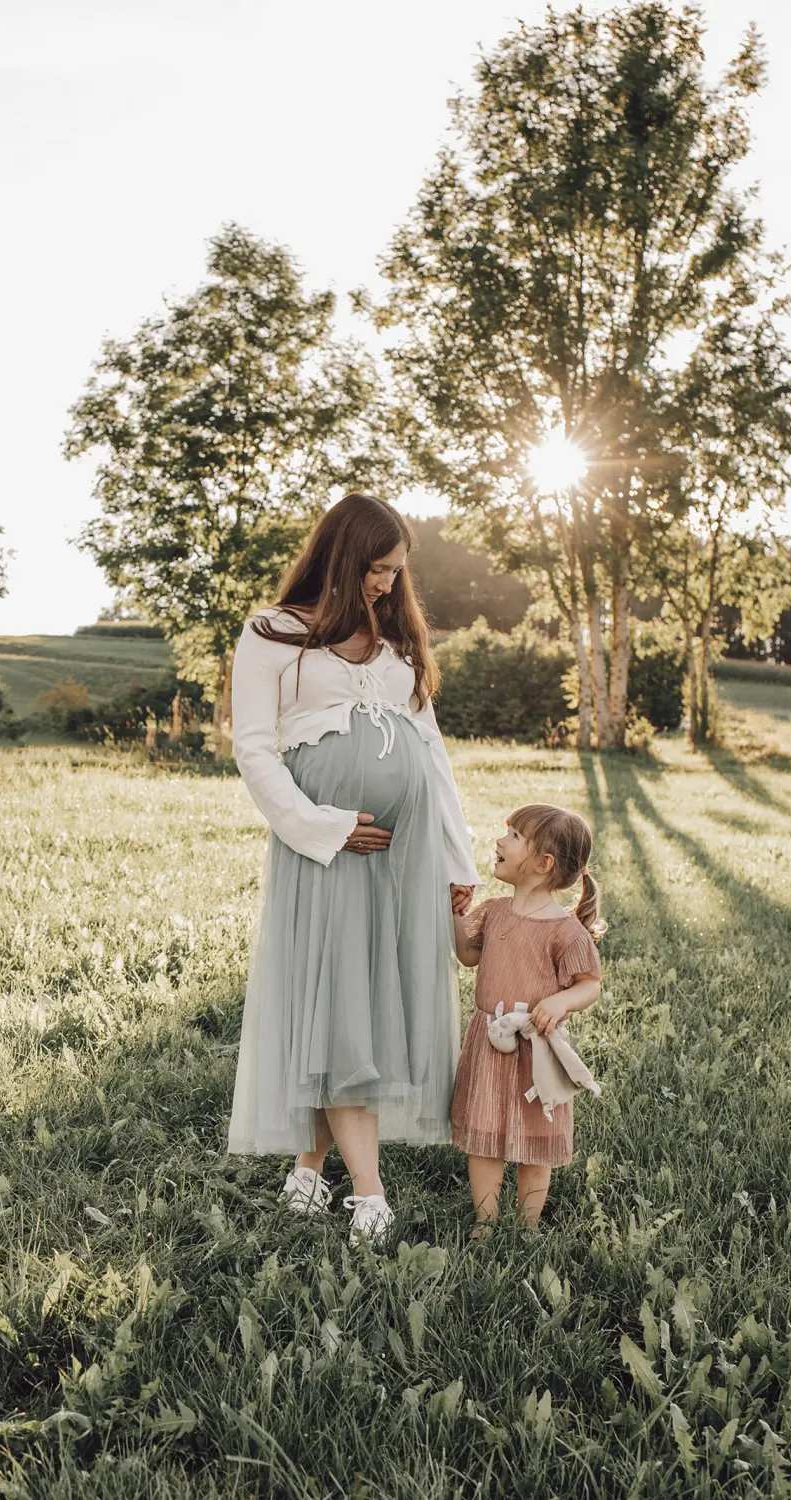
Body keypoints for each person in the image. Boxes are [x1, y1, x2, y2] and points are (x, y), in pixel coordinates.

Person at [227, 493, 479, 1245]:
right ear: (341, 560)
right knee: (338, 1005)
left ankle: (309, 1168)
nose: (385, 585)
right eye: (374, 570)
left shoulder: (397, 644)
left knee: (360, 1007)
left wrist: (455, 863)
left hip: (403, 856)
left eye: (395, 572)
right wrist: (324, 826)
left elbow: (431, 756)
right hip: (328, 852)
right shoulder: (272, 634)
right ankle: (367, 1193)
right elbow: (254, 748)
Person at [450, 804, 605, 1231]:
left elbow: (589, 983)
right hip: (489, 1042)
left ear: (543, 864)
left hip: (535, 1046)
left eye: (514, 836)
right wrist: (458, 912)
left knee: (536, 1142)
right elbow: (468, 956)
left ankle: (528, 1223)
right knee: (484, 1138)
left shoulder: (563, 929)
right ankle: (486, 1220)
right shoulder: (496, 910)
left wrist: (561, 1002)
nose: (499, 841)